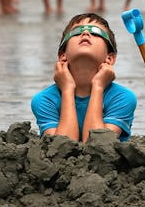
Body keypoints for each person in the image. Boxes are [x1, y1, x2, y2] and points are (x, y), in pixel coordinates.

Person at [31, 13, 137, 142]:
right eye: (76, 32)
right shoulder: (45, 100)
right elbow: (62, 148)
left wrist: (98, 87)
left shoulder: (122, 98)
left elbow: (98, 145)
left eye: (96, 33)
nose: (86, 33)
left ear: (109, 58)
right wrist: (67, 89)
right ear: (62, 55)